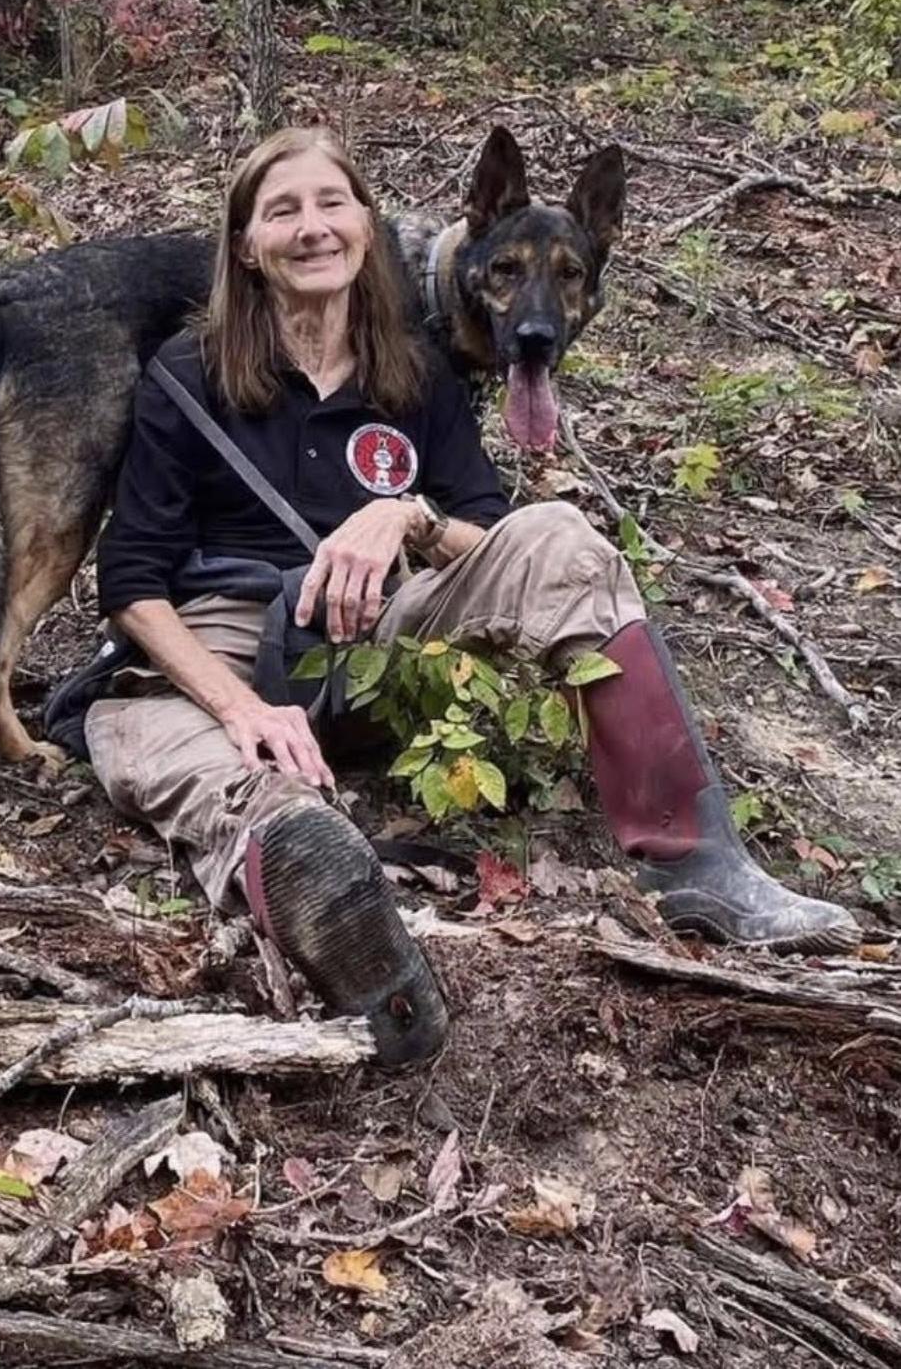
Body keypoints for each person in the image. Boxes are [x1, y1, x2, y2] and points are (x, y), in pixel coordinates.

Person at [72, 127, 857, 1067]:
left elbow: (490, 537)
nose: (312, 228)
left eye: (332, 204)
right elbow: (130, 585)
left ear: (367, 225)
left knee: (560, 534)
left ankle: (697, 866)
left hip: (379, 641)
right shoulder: (186, 376)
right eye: (282, 211)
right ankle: (344, 924)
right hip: (220, 647)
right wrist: (238, 705)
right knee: (158, 746)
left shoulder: (418, 372)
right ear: (246, 245)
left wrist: (402, 517)